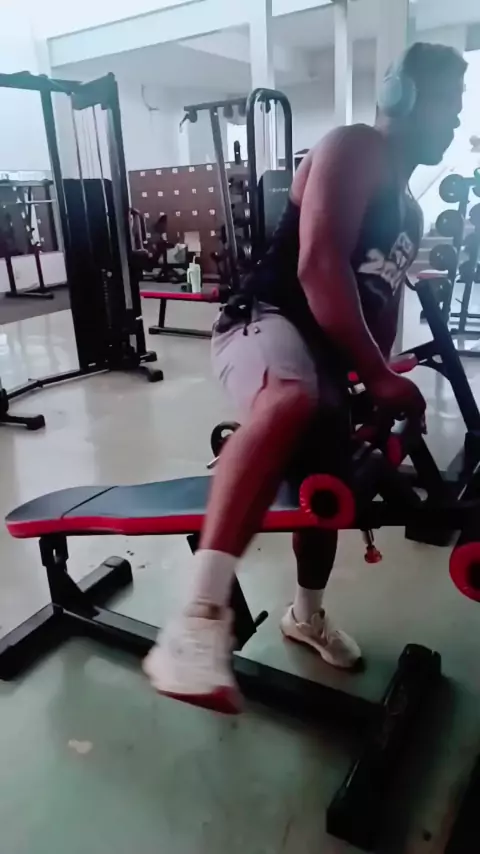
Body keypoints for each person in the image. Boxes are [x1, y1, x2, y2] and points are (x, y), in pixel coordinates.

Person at [144, 42, 466, 714]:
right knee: (289, 399)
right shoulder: (356, 148)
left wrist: (375, 378)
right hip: (261, 321)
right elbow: (319, 264)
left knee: (326, 492)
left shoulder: (409, 213)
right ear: (403, 96)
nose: (458, 119)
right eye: (450, 102)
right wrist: (374, 373)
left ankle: (305, 615)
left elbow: (379, 304)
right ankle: (195, 625)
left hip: (323, 358)